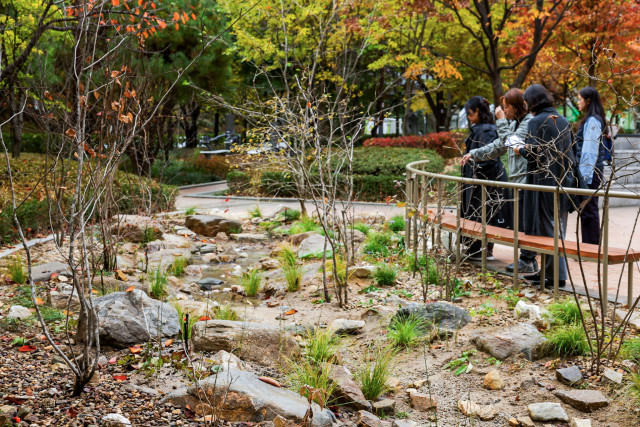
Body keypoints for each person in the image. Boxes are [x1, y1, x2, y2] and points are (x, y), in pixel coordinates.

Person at [461, 88, 537, 273]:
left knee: (527, 223)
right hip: (518, 180)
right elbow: (499, 145)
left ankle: (528, 260)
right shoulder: (514, 123)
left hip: (528, 179)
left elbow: (513, 143)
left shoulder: (527, 122)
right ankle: (527, 260)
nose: (504, 110)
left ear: (516, 106)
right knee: (522, 223)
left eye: (506, 107)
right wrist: (474, 154)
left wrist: (501, 121)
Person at [514, 84, 575, 288]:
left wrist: (520, 149)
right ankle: (548, 273)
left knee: (549, 231)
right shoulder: (562, 120)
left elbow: (535, 154)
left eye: (526, 101)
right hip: (564, 181)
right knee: (558, 229)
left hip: (543, 183)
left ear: (532, 101)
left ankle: (557, 277)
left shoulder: (536, 121)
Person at [461, 96, 512, 261]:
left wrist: (475, 171)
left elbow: (490, 157)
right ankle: (480, 248)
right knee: (482, 214)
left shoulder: (486, 130)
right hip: (482, 180)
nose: (468, 116)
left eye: (470, 113)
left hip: (486, 181)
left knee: (483, 214)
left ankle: (481, 249)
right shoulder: (483, 128)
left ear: (477, 111)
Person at [576, 86, 607, 245]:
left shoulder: (593, 120)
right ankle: (590, 247)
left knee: (589, 211)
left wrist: (584, 179)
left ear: (588, 101)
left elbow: (590, 151)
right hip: (592, 172)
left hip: (591, 172)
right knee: (588, 211)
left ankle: (592, 248)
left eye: (580, 99)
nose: (577, 103)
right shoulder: (592, 119)